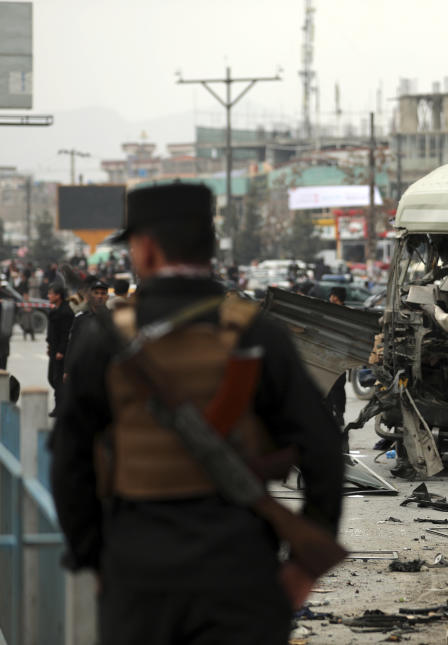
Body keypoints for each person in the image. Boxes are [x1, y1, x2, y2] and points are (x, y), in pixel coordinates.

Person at [50, 182, 344, 645]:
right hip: (240, 572)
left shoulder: (105, 341)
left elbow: (70, 464)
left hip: (140, 574)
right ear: (209, 246)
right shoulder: (259, 333)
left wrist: (96, 559)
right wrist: (303, 568)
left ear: (145, 249)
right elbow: (324, 450)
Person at [46, 283, 73, 416]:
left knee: (58, 379)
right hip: (54, 349)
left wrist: (61, 351)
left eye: (51, 293)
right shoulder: (55, 310)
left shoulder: (66, 312)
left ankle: (60, 407)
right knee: (52, 378)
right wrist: (49, 346)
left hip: (60, 353)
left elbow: (66, 334)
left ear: (58, 296)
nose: (48, 296)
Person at [323, 286, 348, 428]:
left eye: (333, 296)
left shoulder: (345, 313)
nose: (331, 298)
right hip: (328, 356)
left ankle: (339, 414)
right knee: (328, 387)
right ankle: (329, 414)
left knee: (337, 387)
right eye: (331, 295)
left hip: (340, 356)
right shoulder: (328, 311)